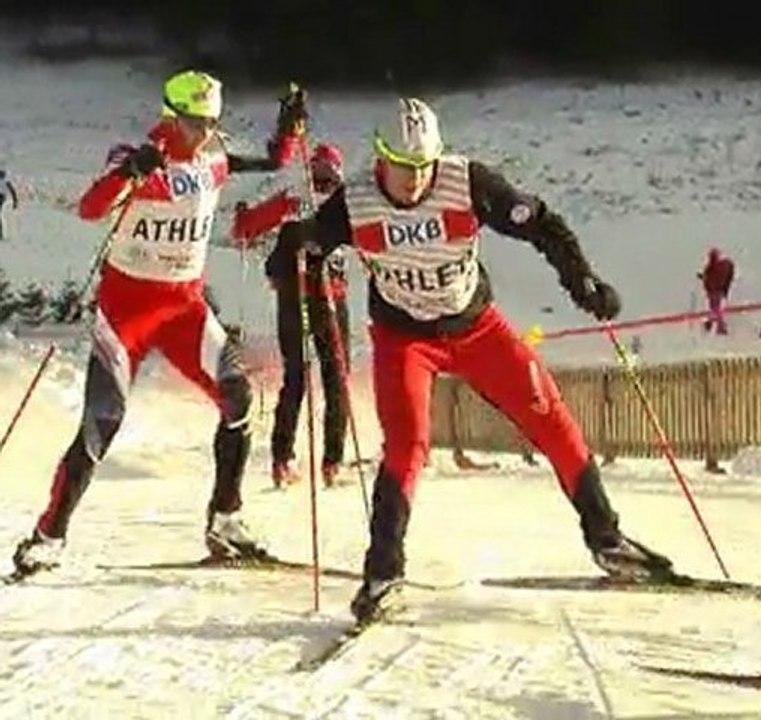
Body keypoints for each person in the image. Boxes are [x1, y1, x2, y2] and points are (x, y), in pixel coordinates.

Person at [276, 97, 675, 622]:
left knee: (550, 418)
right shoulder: (355, 203)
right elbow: (302, 244)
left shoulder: (467, 183)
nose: (414, 180)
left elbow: (543, 223)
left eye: (424, 166)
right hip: (404, 339)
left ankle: (607, 538)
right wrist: (294, 248)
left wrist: (582, 280)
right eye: (402, 166)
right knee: (408, 445)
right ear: (380, 158)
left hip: (476, 327)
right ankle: (384, 571)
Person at [10, 70, 307, 577]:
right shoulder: (137, 153)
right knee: (102, 422)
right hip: (126, 312)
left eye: (211, 122)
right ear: (171, 115)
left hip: (183, 307)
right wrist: (131, 174)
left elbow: (271, 161)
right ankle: (48, 537)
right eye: (194, 122)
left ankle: (226, 520)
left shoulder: (213, 154)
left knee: (237, 397)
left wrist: (289, 132)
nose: (203, 133)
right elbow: (90, 208)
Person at [232, 142, 351, 489]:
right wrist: (245, 222)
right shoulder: (304, 199)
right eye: (320, 173)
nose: (323, 181)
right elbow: (246, 229)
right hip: (309, 295)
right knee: (315, 378)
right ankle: (303, 460)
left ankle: (311, 459)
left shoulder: (316, 199)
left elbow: (246, 228)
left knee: (317, 379)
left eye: (328, 175)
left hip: (314, 296)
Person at [697, 248, 734, 336]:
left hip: (716, 291)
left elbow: (708, 280)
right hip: (716, 291)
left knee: (715, 308)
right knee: (715, 308)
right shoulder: (717, 266)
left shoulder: (717, 267)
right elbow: (708, 280)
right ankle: (716, 325)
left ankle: (717, 325)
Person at [0, 168, 20, 241]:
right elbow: (12, 191)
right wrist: (15, 201)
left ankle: (0, 234)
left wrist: (15, 201)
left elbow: (12, 191)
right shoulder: (6, 181)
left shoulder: (6, 181)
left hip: (1, 196)